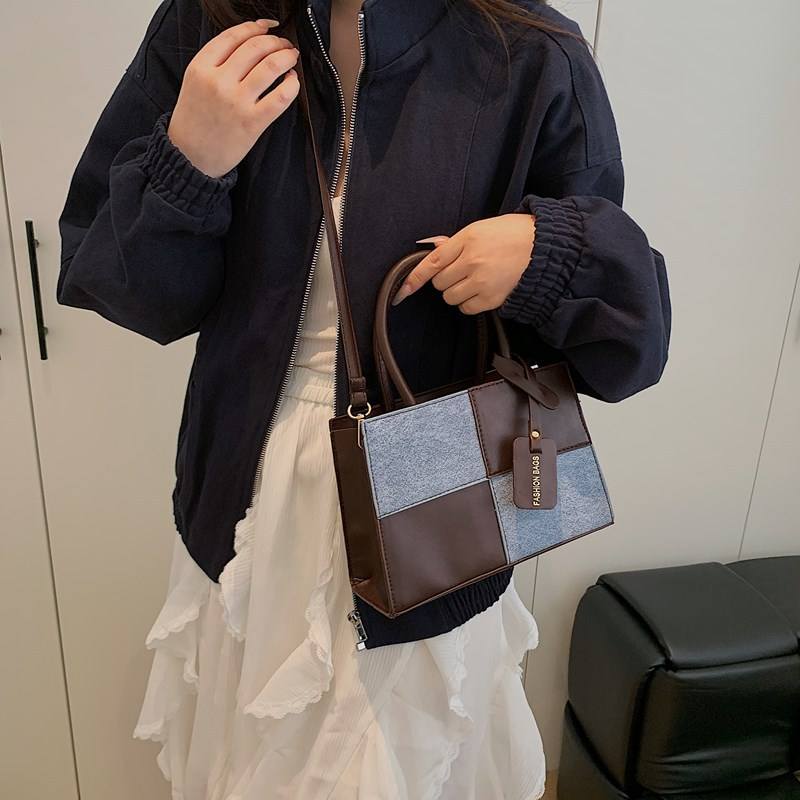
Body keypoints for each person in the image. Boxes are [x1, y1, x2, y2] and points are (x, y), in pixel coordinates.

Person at [57, 0, 671, 797]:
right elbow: (124, 286)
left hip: (438, 504)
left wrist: (545, 254)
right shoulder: (209, 19)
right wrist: (189, 160)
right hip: (247, 502)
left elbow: (629, 349)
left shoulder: (530, 49)